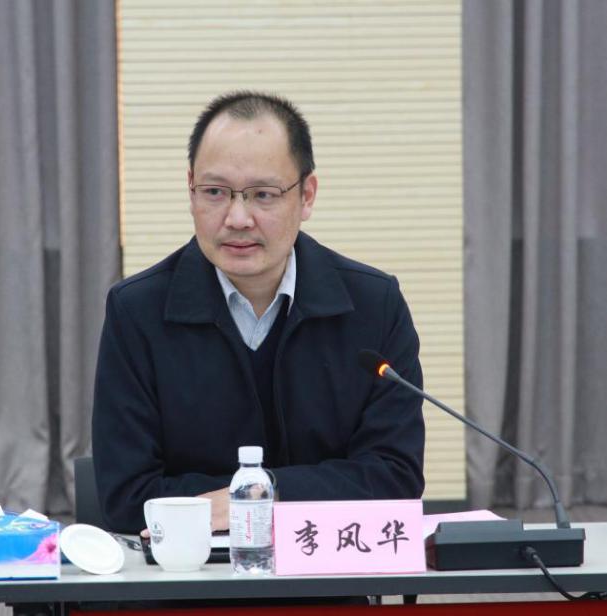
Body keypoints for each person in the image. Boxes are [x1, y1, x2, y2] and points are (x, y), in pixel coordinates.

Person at [92, 91, 425, 534]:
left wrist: (259, 495)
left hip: (328, 568)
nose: (237, 218)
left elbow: (395, 478)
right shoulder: (136, 312)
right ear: (190, 189)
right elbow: (127, 496)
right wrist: (311, 491)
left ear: (306, 195)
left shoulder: (373, 305)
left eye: (263, 195)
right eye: (214, 192)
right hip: (189, 569)